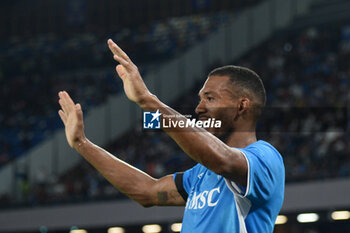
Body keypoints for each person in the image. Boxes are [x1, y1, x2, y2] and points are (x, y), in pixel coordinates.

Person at [58, 39, 285, 233]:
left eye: (210, 98)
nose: (199, 108)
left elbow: (224, 160)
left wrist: (148, 101)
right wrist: (82, 144)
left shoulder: (265, 159)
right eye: (200, 99)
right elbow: (147, 191)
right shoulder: (200, 175)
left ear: (242, 105)